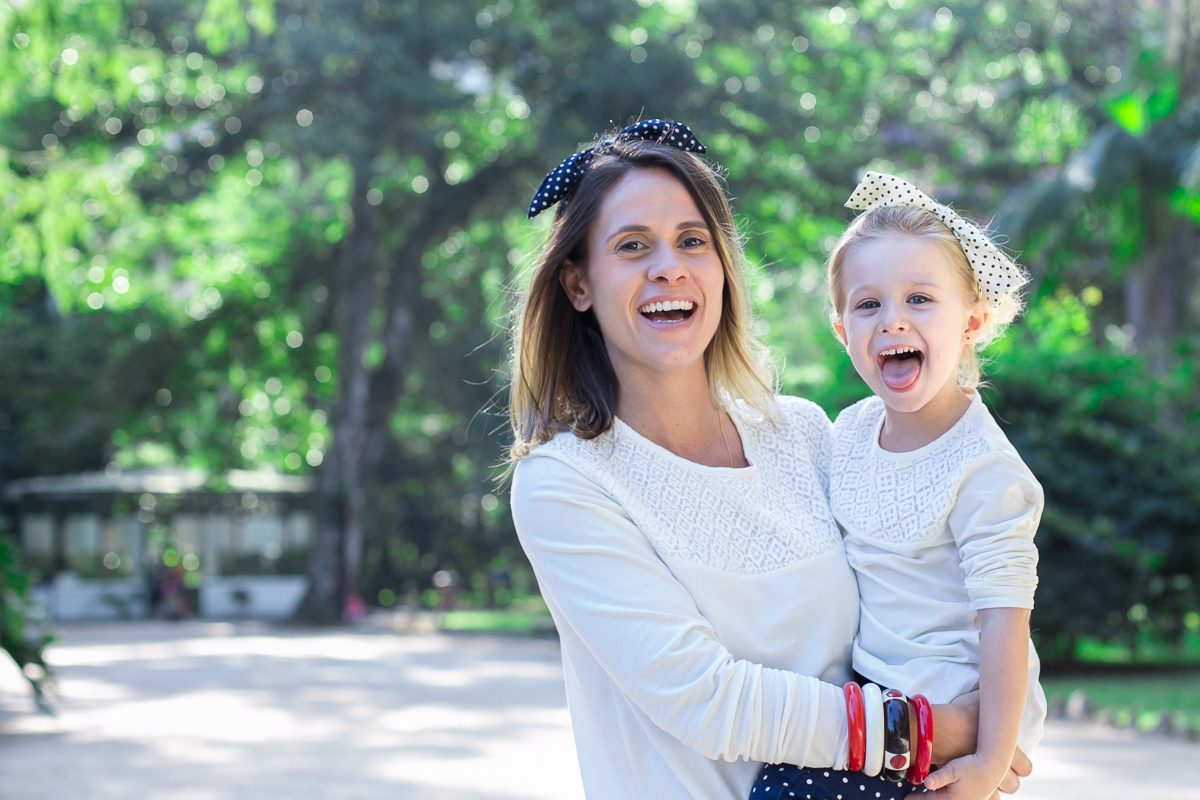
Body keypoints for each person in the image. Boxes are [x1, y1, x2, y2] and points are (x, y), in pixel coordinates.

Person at [508, 123, 1027, 800]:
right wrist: (936, 732)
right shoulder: (565, 483)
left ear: (722, 266)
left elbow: (942, 597)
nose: (669, 266)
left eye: (692, 241)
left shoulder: (807, 437)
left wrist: (1000, 722)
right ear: (578, 284)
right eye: (632, 247)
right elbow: (707, 700)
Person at [753, 173, 1046, 800]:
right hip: (873, 691)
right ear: (843, 333)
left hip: (957, 701)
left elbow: (1005, 620)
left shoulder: (983, 468)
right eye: (868, 304)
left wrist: (992, 756)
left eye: (920, 299)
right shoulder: (851, 432)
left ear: (970, 323)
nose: (893, 321)